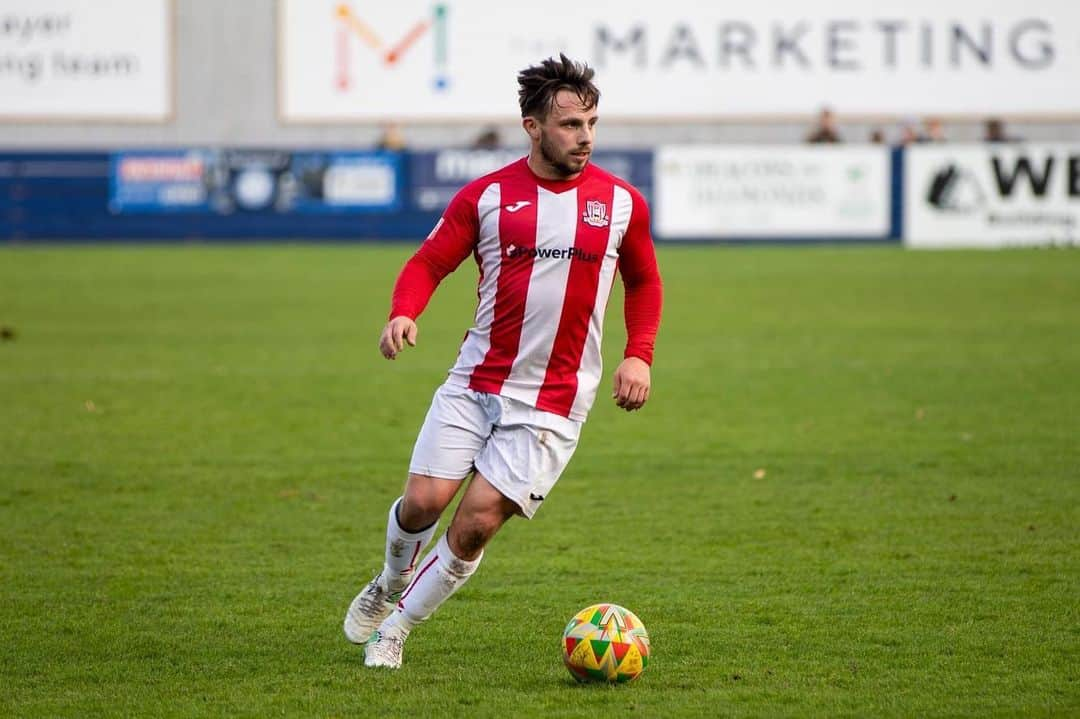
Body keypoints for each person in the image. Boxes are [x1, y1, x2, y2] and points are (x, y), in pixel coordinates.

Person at [343, 54, 664, 670]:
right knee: (424, 505)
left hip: (555, 398)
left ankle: (398, 628)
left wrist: (639, 357)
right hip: (476, 381)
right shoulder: (488, 196)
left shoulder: (621, 203)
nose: (586, 136)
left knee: (474, 525)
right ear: (532, 127)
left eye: (592, 122)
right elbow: (428, 262)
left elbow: (644, 281)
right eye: (570, 124)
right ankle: (387, 582)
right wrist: (404, 311)